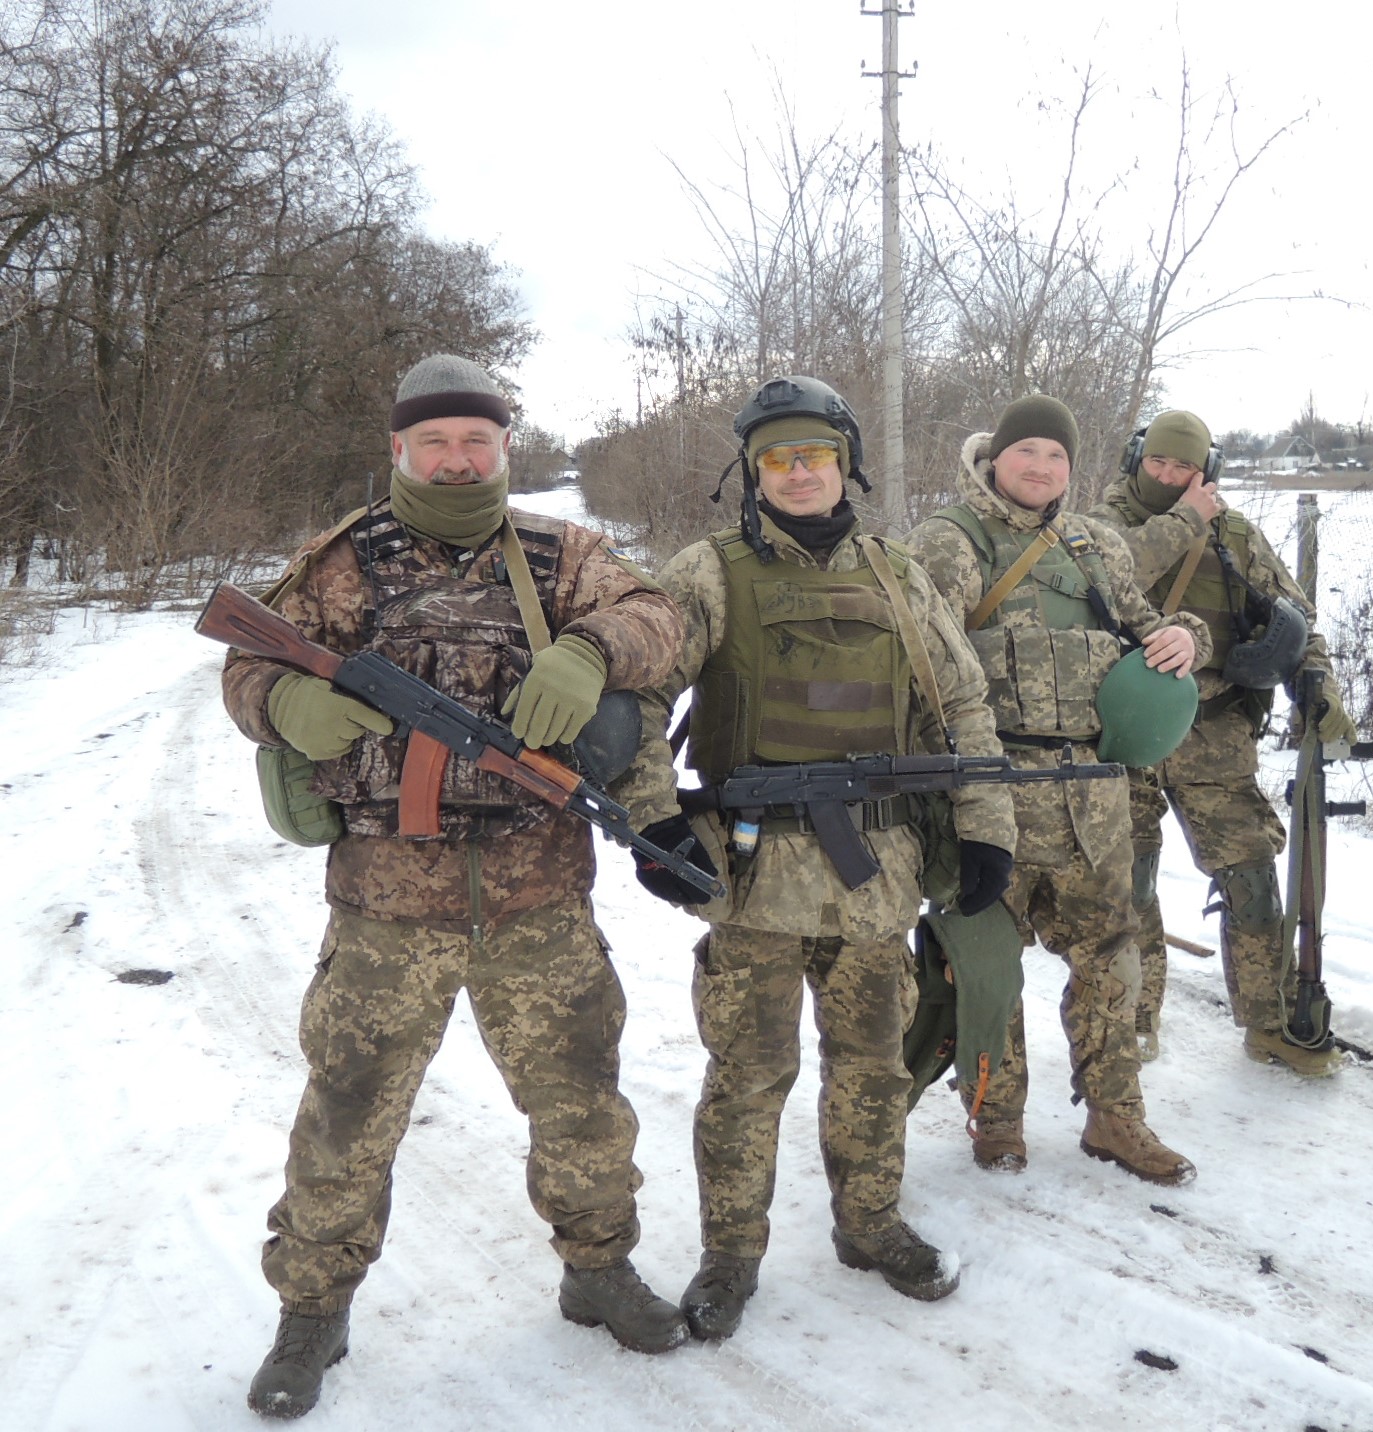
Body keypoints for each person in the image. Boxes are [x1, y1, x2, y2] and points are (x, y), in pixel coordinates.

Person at [221, 354, 691, 1419]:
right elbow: (245, 663)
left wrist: (587, 647)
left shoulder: (558, 552)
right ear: (398, 449)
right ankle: (312, 1307)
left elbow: (661, 619)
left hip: (538, 898)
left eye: (475, 439)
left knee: (582, 1103)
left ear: (502, 448)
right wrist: (285, 707)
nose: (455, 456)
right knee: (346, 1115)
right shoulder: (346, 559)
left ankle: (598, 1268)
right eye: (433, 441)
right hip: (387, 903)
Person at [612, 375, 1017, 1342]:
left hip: (876, 878)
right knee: (747, 1077)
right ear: (754, 473)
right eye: (780, 459)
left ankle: (869, 1224)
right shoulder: (706, 574)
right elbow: (633, 703)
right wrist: (652, 822)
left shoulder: (896, 572)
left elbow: (961, 706)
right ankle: (730, 1254)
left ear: (846, 465)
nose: (801, 474)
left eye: (817, 456)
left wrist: (984, 825)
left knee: (873, 1069)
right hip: (752, 883)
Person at [906, 395, 1212, 1185]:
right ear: (994, 456)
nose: (1041, 470)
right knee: (985, 966)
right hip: (989, 792)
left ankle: (1116, 1118)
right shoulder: (946, 541)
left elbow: (1147, 627)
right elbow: (916, 669)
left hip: (1089, 800)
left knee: (1111, 963)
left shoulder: (1093, 543)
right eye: (1026, 453)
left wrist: (1187, 637)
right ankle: (994, 1116)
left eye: (1057, 458)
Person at [1087, 409, 1355, 1075]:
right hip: (1125, 730)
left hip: (1214, 728)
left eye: (1185, 466)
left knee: (1252, 879)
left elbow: (1291, 614)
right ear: (1135, 459)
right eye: (1159, 462)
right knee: (1129, 882)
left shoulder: (1232, 532)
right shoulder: (1096, 528)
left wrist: (1318, 689)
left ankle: (1267, 1024)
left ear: (1206, 470)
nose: (1171, 476)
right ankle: (1134, 1019)